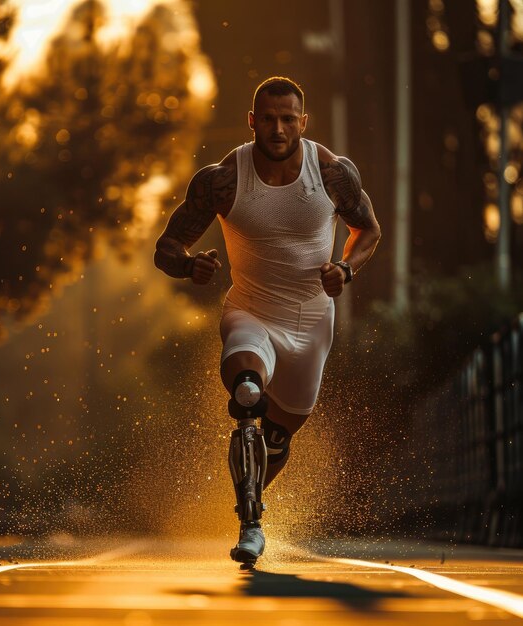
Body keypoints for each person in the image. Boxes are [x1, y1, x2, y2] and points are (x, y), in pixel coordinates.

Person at [154, 76, 381, 566]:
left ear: (303, 122)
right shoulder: (223, 179)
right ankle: (251, 524)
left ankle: (252, 492)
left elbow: (368, 230)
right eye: (269, 120)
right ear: (252, 121)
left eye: (288, 120)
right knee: (247, 391)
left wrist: (344, 267)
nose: (278, 130)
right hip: (250, 310)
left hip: (312, 321)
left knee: (279, 436)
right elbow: (167, 247)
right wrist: (189, 266)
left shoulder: (333, 173)